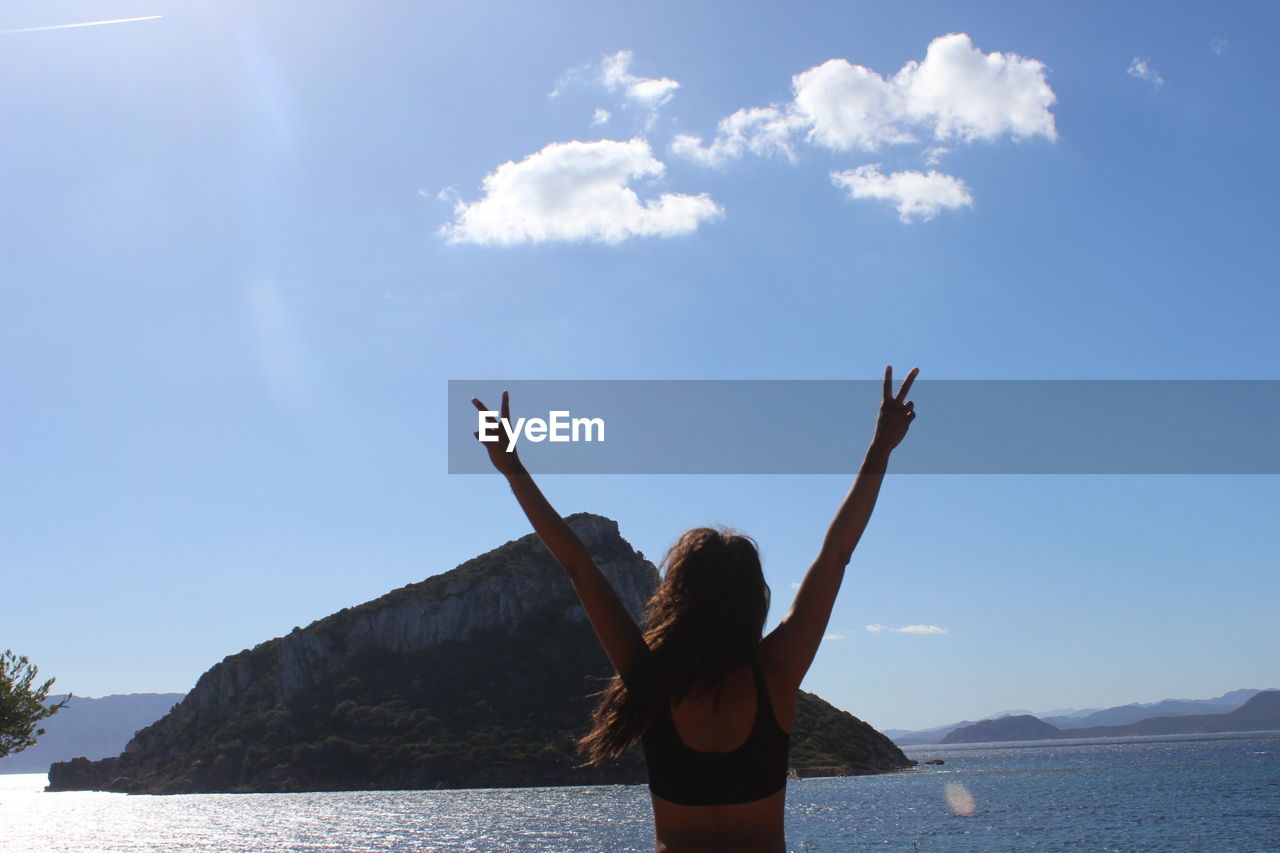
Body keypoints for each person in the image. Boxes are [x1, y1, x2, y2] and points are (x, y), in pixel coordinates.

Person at [471, 366, 918, 853]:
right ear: (753, 597)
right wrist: (880, 449)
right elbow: (837, 553)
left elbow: (578, 565)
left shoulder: (650, 675)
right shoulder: (776, 672)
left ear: (676, 594)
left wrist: (513, 468)